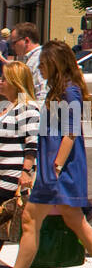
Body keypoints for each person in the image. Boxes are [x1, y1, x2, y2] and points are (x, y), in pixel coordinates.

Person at [0, 41, 92, 268]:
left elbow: (72, 132)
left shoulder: (69, 90)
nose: (39, 68)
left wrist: (55, 168)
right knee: (75, 221)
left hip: (58, 171)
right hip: (56, 169)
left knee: (31, 220)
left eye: (43, 64)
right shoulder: (60, 88)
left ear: (54, 64)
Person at [0, 61, 40, 254]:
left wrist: (26, 172)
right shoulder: (9, 106)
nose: (0, 82)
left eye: (4, 79)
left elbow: (32, 143)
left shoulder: (28, 107)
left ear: (16, 82)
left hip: (10, 176)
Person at [10, 22, 46, 102]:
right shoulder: (27, 59)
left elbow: (42, 94)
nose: (12, 47)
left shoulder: (39, 59)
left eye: (14, 43)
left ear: (26, 41)